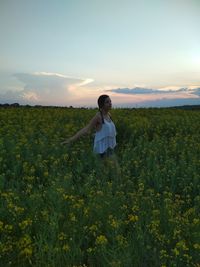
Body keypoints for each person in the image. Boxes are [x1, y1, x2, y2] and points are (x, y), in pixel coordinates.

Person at [61, 95, 121, 176]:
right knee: (107, 174)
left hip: (110, 148)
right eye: (107, 102)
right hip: (101, 151)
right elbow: (86, 129)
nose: (110, 103)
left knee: (113, 173)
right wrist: (71, 140)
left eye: (110, 101)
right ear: (102, 105)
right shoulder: (98, 116)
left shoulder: (109, 115)